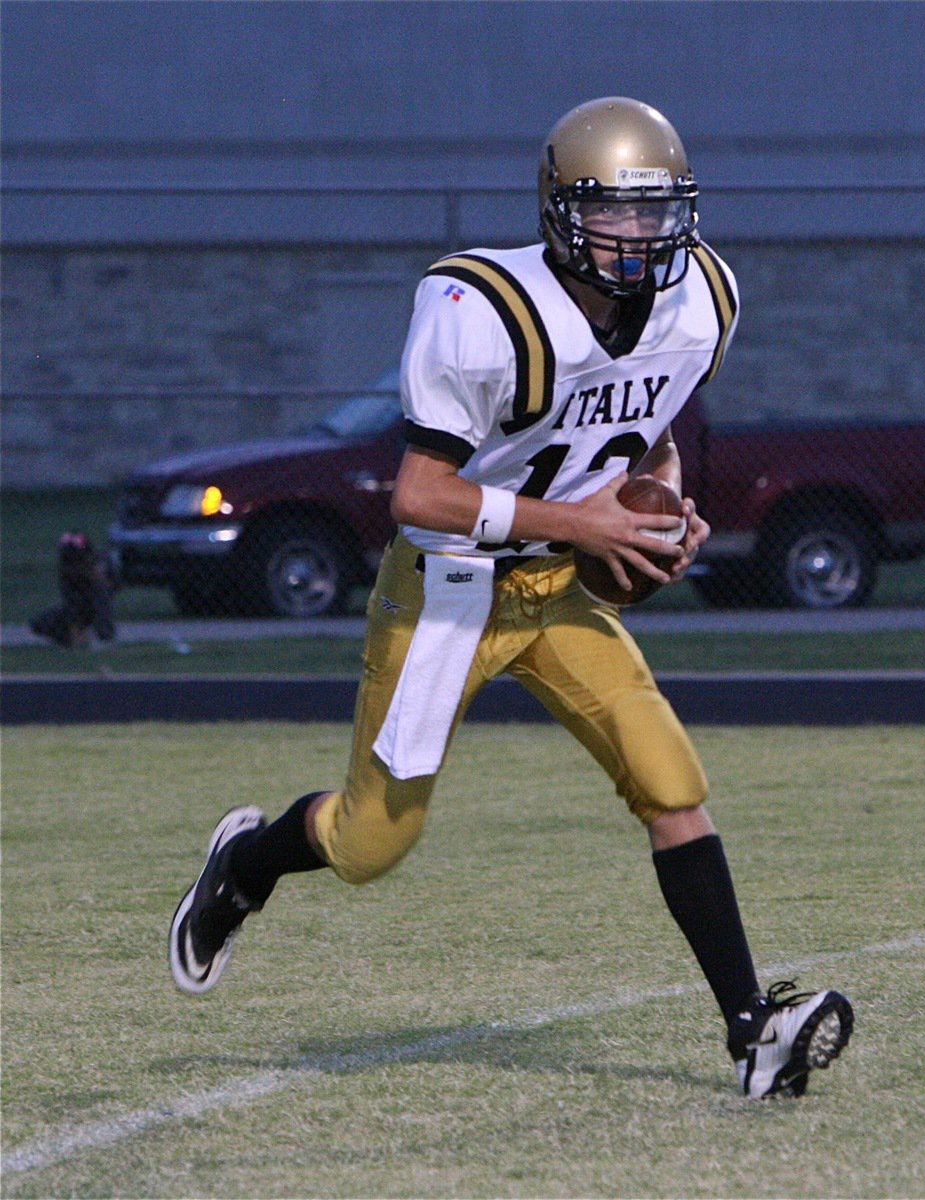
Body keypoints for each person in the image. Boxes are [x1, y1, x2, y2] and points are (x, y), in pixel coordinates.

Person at [169, 96, 853, 1099]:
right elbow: (418, 496)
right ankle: (245, 868)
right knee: (370, 842)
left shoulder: (701, 297)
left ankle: (752, 1029)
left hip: (556, 585)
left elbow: (649, 427)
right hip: (445, 589)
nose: (641, 233)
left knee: (670, 783)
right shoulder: (485, 311)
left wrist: (663, 507)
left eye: (657, 210)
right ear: (561, 212)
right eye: (614, 211)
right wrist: (587, 523)